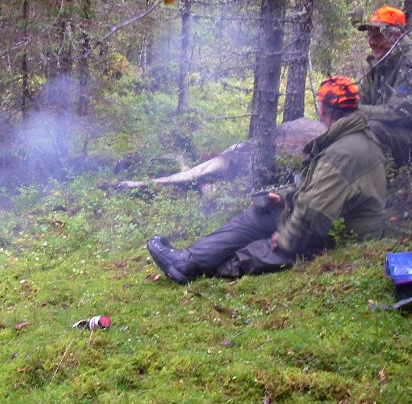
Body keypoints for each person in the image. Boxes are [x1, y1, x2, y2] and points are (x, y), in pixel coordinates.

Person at [147, 76, 386, 283]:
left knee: (249, 254)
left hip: (334, 237)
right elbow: (318, 190)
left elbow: (314, 212)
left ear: (323, 109)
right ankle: (188, 260)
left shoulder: (344, 152)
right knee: (259, 215)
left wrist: (285, 238)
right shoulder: (352, 140)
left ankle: (198, 268)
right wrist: (282, 197)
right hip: (331, 224)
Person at [356, 5, 412, 166]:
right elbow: (360, 100)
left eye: (378, 36)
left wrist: (355, 111)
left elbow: (398, 114)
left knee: (371, 129)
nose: (372, 43)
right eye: (370, 37)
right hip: (398, 130)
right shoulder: (377, 63)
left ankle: (382, 183)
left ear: (397, 35)